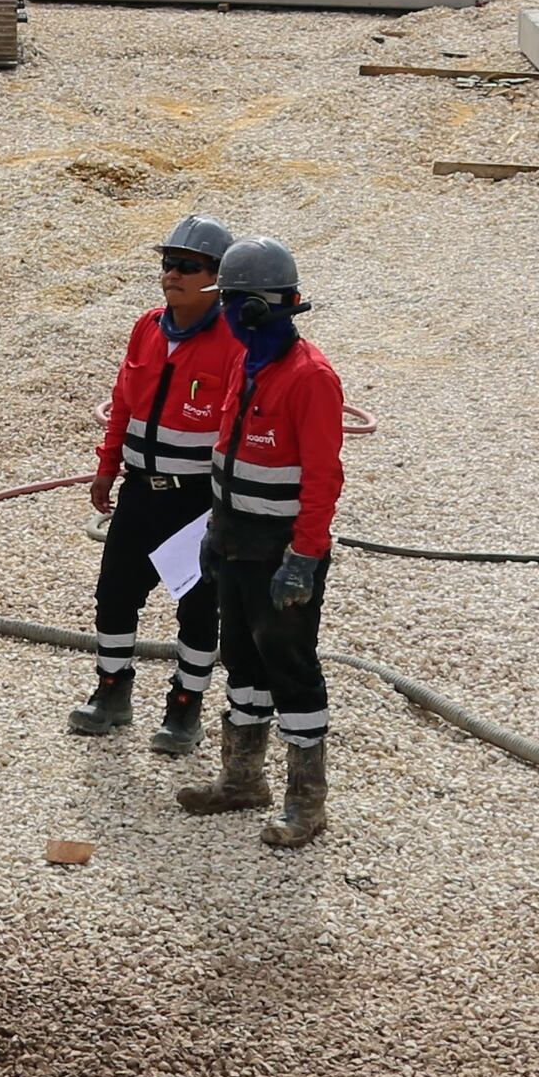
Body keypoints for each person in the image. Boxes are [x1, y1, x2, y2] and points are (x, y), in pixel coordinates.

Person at [183, 236, 345, 848]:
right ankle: (243, 779)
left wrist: (303, 558)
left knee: (290, 669)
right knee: (243, 663)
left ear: (252, 308)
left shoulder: (311, 379)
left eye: (229, 303)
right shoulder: (244, 363)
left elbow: (323, 479)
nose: (222, 314)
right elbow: (228, 451)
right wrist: (214, 531)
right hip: (234, 541)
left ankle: (308, 802)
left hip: (280, 549)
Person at [68, 215, 244, 758]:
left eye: (188, 266)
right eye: (169, 264)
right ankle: (112, 691)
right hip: (141, 489)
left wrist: (228, 507)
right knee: (115, 593)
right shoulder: (147, 326)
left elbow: (239, 429)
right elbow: (124, 401)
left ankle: (185, 706)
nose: (173, 274)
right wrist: (107, 463)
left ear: (219, 278)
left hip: (198, 500)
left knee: (197, 607)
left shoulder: (235, 342)